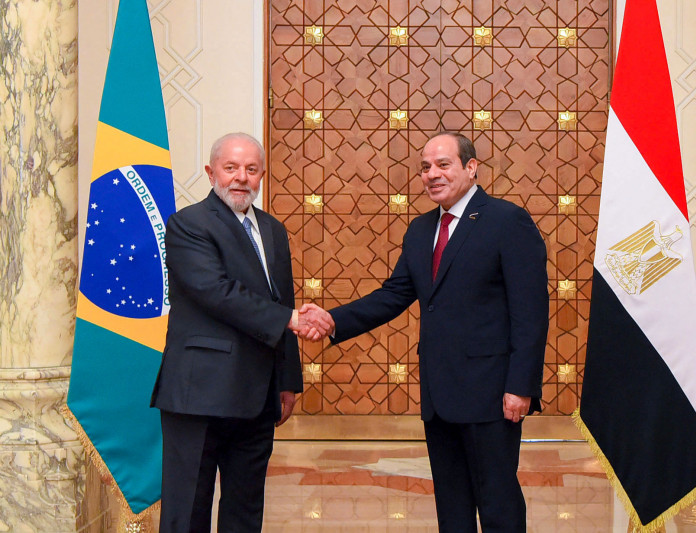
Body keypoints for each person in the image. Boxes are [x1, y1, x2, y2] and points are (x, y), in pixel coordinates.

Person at [300, 131, 549, 532]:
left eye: (443, 164)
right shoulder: (420, 230)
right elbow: (394, 295)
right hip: (439, 393)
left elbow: (531, 312)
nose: (432, 174)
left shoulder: (507, 221)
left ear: (471, 167)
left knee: (498, 503)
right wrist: (332, 320)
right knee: (451, 506)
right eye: (425, 167)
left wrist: (521, 386)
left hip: (491, 393)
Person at [150, 132, 317, 532]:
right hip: (198, 394)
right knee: (187, 511)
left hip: (257, 395)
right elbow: (216, 292)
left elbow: (282, 298)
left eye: (251, 169)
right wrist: (292, 319)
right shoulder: (188, 224)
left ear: (261, 176)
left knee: (245, 510)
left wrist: (287, 380)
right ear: (211, 173)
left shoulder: (273, 229)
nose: (241, 177)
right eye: (231, 168)